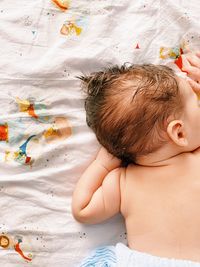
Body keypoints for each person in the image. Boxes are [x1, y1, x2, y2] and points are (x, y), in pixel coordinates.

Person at [72, 52, 200, 266]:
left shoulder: (123, 183)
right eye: (196, 104)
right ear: (179, 133)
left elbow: (82, 210)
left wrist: (101, 165)